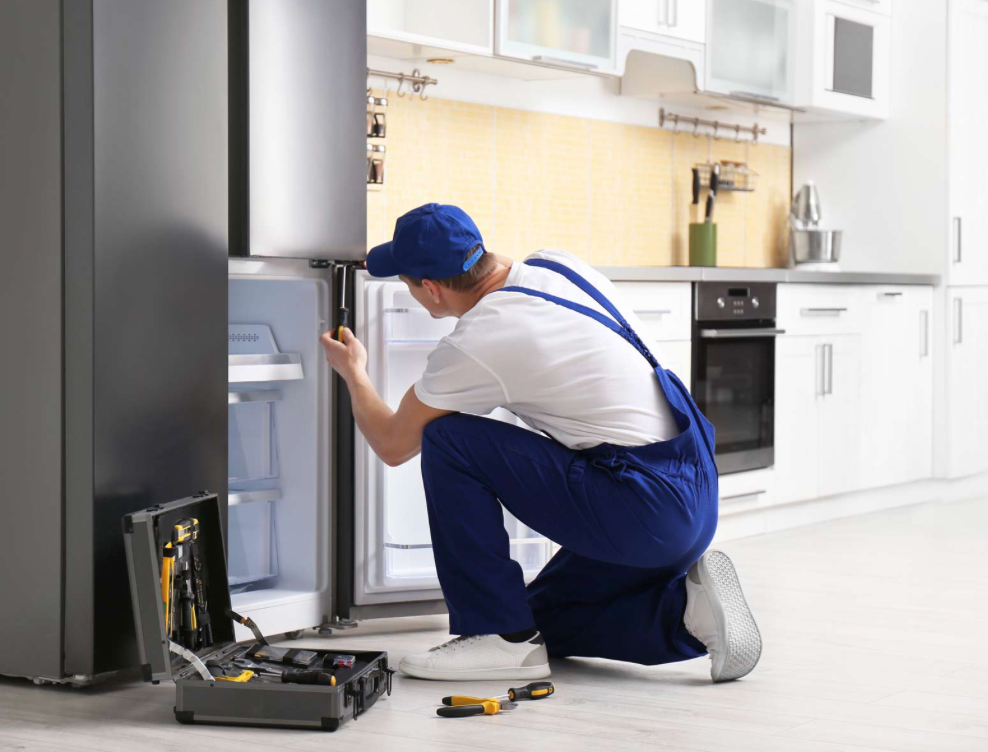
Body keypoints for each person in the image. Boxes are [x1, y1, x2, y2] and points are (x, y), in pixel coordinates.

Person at [319, 203, 761, 683]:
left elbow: (392, 443)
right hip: (692, 490)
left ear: (431, 288)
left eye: (408, 283)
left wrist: (355, 373)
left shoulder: (480, 338)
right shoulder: (557, 265)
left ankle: (495, 635)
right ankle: (688, 617)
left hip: (643, 508)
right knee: (539, 622)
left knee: (448, 439)